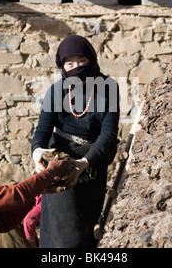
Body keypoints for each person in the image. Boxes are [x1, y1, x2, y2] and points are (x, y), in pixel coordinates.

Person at [31, 34, 120, 248]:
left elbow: (108, 134)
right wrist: (37, 154)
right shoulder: (56, 90)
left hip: (92, 165)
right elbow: (42, 131)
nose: (76, 67)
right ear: (62, 65)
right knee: (63, 234)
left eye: (82, 61)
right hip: (61, 165)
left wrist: (84, 163)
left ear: (92, 60)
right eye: (69, 63)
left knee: (85, 231)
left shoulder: (109, 88)